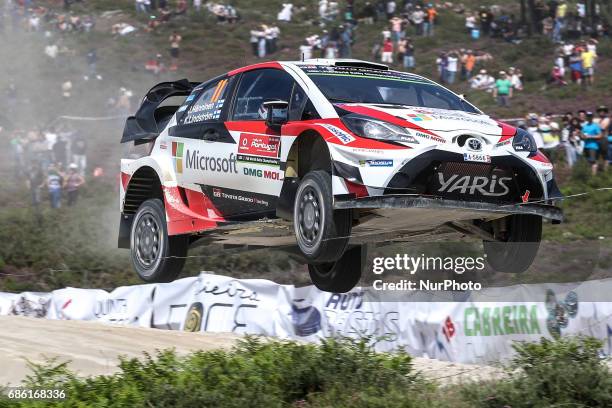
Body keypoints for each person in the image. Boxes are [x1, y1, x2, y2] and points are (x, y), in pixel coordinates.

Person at [595, 106, 610, 171]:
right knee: (596, 157)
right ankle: (597, 171)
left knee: (605, 157)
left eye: (603, 111)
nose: (602, 112)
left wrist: (596, 125)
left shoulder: (607, 119)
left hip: (604, 139)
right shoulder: (596, 119)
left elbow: (603, 127)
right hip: (596, 139)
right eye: (600, 110)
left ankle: (605, 171)